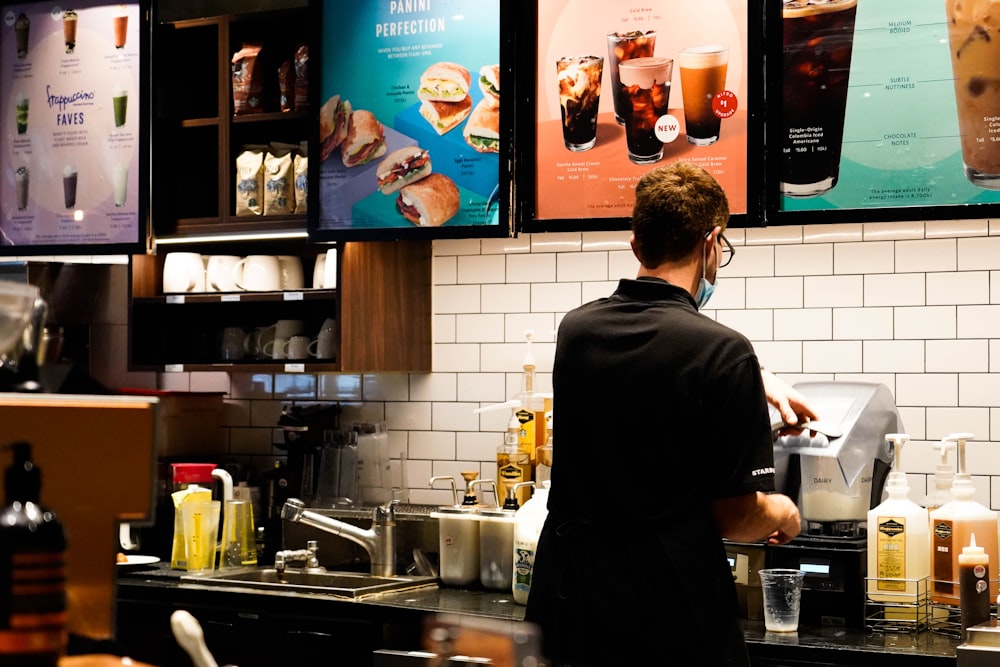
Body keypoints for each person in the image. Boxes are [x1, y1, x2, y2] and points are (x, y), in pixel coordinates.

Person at [524, 162, 813, 666]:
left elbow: (649, 382)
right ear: (712, 243)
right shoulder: (723, 352)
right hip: (665, 610)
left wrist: (752, 379)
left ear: (636, 244)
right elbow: (740, 519)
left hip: (570, 601)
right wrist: (786, 512)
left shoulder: (577, 330)